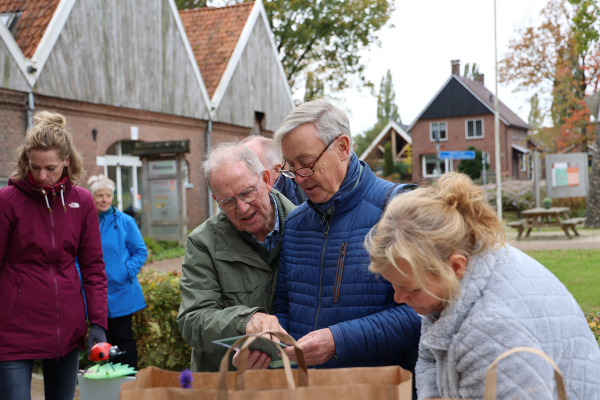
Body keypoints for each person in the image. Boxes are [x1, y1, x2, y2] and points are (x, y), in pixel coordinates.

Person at [367, 172, 600, 399]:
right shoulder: (466, 263)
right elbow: (430, 354)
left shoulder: (489, 331)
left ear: (456, 267)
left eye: (411, 289)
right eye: (394, 285)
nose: (398, 298)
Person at [267, 99, 421, 370]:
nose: (300, 178)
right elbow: (284, 306)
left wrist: (339, 341)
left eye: (306, 163)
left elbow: (423, 313)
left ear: (342, 147)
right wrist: (272, 344)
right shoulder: (294, 223)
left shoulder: (398, 209)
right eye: (291, 167)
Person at [0, 111, 107, 400]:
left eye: (50, 168)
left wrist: (98, 323)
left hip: (65, 328)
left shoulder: (83, 201)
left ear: (67, 161)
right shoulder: (7, 201)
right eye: (35, 168)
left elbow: (93, 266)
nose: (42, 176)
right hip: (13, 330)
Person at [177, 142, 296, 372]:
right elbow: (193, 322)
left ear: (267, 179)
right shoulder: (204, 242)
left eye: (247, 193)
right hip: (226, 381)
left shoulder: (305, 226)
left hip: (290, 379)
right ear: (215, 200)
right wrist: (247, 321)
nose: (242, 208)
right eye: (227, 202)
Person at [87, 175, 148, 370]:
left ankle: (128, 383)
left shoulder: (126, 222)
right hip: (95, 292)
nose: (104, 199)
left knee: (123, 338)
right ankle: (109, 386)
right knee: (102, 340)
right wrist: (80, 279)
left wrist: (125, 272)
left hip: (122, 290)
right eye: (99, 195)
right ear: (91, 197)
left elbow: (140, 251)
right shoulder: (85, 223)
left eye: (108, 195)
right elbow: (77, 256)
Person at [241, 136, 308, 206]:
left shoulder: (308, 198)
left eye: (250, 167)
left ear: (276, 171)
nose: (241, 174)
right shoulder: (231, 195)